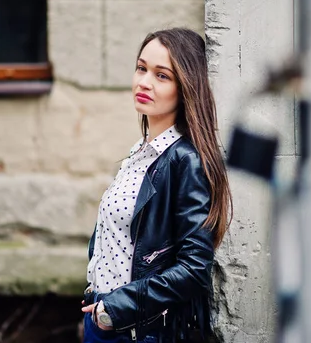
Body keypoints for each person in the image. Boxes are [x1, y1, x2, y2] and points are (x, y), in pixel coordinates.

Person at [81, 28, 233, 343]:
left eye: (161, 76)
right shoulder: (141, 150)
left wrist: (116, 309)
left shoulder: (185, 161)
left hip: (137, 329)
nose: (144, 82)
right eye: (141, 68)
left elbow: (194, 267)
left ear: (186, 87)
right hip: (105, 317)